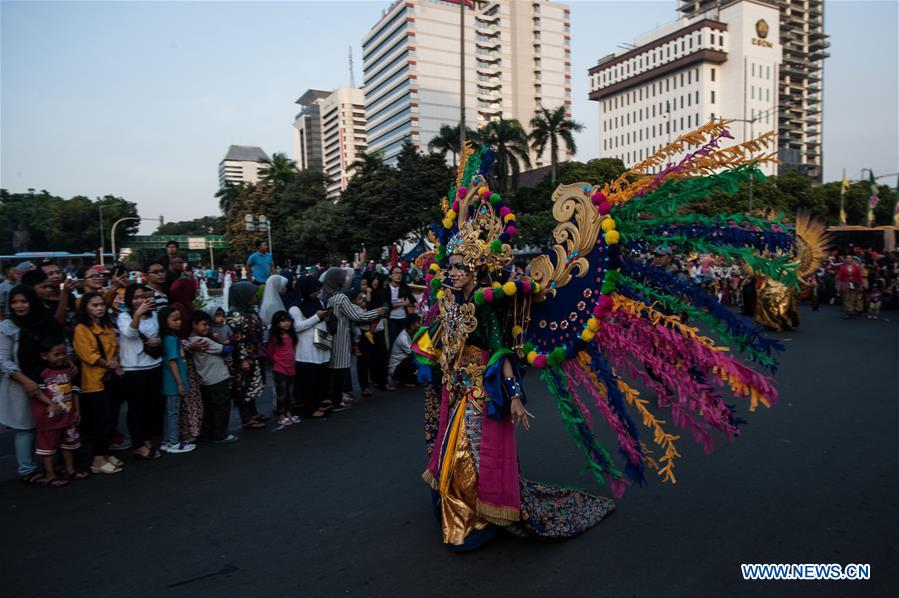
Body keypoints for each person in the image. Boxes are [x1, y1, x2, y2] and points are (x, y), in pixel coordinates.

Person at [0, 285, 65, 483]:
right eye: (14, 302)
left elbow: (59, 344)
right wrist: (26, 381)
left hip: (50, 381)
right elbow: (3, 360)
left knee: (53, 423)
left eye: (24, 301)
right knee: (26, 427)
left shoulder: (45, 321)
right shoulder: (8, 327)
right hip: (20, 384)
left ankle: (51, 464)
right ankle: (27, 469)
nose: (19, 306)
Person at [72, 292, 125, 474]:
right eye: (94, 305)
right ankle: (98, 459)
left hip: (111, 379)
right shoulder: (81, 329)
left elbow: (115, 346)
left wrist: (115, 362)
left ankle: (104, 452)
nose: (100, 308)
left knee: (110, 418)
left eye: (101, 304)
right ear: (85, 308)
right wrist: (110, 364)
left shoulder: (107, 324)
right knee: (100, 421)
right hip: (95, 381)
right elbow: (88, 355)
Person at [320, 268, 385, 412]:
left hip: (331, 336)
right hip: (341, 337)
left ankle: (334, 398)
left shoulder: (326, 296)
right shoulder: (340, 298)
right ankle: (336, 400)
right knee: (340, 369)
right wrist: (376, 312)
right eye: (342, 278)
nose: (345, 280)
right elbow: (357, 316)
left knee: (334, 370)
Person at [32, 336, 88, 487]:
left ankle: (69, 470)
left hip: (68, 415)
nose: (61, 357)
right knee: (48, 447)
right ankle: (50, 475)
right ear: (44, 355)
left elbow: (75, 390)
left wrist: (77, 410)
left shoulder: (69, 370)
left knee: (68, 444)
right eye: (56, 354)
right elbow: (37, 392)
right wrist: (50, 404)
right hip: (49, 418)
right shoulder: (41, 372)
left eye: (64, 353)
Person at [117, 284, 164, 460]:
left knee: (151, 407)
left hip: (154, 365)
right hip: (134, 369)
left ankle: (146, 440)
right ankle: (138, 444)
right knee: (136, 408)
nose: (139, 300)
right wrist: (137, 314)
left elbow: (160, 334)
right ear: (129, 300)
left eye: (142, 296)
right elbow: (130, 333)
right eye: (135, 297)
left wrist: (157, 340)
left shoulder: (154, 316)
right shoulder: (123, 316)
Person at [188, 311, 238, 444]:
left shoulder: (190, 341)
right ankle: (220, 435)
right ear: (194, 325)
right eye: (204, 325)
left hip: (206, 380)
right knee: (221, 408)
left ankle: (209, 433)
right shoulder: (203, 341)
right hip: (217, 379)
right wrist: (230, 341)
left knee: (210, 408)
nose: (207, 328)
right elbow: (225, 350)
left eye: (208, 325)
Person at [289, 276, 332, 420]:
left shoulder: (318, 302)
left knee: (320, 379)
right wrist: (316, 317)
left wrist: (325, 316)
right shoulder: (295, 308)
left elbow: (320, 320)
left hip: (320, 343)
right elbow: (297, 327)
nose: (316, 293)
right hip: (306, 349)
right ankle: (310, 409)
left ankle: (318, 404)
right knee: (309, 382)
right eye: (313, 290)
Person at [227, 282, 266, 429]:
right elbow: (237, 339)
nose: (254, 297)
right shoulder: (234, 314)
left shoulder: (249, 310)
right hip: (243, 357)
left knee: (253, 385)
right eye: (251, 295)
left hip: (254, 354)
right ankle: (246, 418)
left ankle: (254, 412)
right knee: (243, 387)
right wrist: (243, 359)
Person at [158, 306, 195, 454]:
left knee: (170, 411)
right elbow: (173, 361)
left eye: (179, 319)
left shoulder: (167, 337)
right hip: (174, 381)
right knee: (174, 411)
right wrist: (180, 382)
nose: (178, 322)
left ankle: (168, 440)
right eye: (174, 320)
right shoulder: (171, 339)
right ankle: (173, 441)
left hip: (170, 380)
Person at [267, 310, 299, 427]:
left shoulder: (291, 336)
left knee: (290, 393)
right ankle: (281, 415)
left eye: (288, 320)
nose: (286, 323)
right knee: (282, 393)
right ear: (276, 323)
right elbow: (270, 353)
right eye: (283, 321)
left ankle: (288, 413)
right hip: (279, 368)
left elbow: (293, 350)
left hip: (291, 367)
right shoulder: (275, 338)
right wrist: (275, 363)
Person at [386, 265, 417, 348]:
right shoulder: (386, 288)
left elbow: (413, 300)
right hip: (391, 319)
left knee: (403, 342)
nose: (398, 275)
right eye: (396, 273)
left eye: (400, 273)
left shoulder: (404, 287)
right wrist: (402, 304)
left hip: (403, 318)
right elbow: (387, 306)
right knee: (393, 342)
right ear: (390, 275)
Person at [388, 314, 420, 387]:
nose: (419, 325)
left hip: (401, 364)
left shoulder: (408, 333)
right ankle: (403, 381)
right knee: (414, 358)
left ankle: (407, 379)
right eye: (418, 323)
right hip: (396, 368)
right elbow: (413, 353)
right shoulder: (403, 338)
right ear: (412, 325)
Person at [259, 274, 288, 340]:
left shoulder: (272, 300)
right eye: (283, 286)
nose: (285, 288)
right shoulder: (273, 304)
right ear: (276, 286)